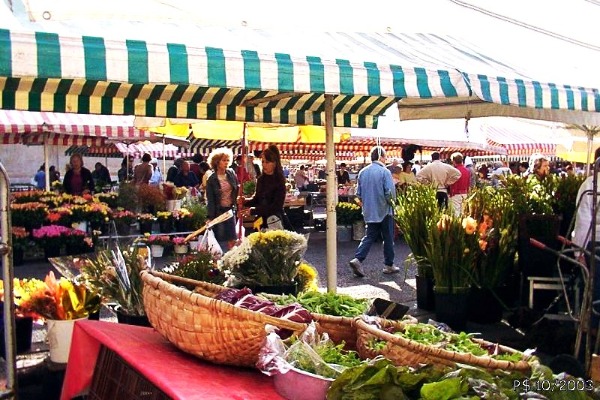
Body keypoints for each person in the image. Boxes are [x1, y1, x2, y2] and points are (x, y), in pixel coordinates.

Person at [348, 146, 398, 278]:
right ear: (381, 156)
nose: (386, 158)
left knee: (369, 236)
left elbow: (358, 194)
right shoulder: (385, 172)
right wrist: (394, 205)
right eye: (385, 156)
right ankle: (389, 264)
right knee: (388, 238)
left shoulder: (363, 172)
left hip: (369, 210)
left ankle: (358, 259)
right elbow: (390, 193)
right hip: (385, 210)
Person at [572, 147, 600, 330]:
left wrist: (578, 251)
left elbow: (583, 221)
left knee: (594, 297)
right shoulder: (590, 185)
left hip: (595, 246)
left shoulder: (590, 184)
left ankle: (591, 346)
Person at [240, 145, 289, 231]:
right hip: (260, 221)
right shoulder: (261, 179)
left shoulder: (279, 180)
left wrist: (252, 211)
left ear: (274, 163)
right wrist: (244, 201)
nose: (264, 165)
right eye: (263, 162)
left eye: (267, 162)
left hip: (273, 221)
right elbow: (257, 199)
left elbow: (276, 207)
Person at [206, 148, 239, 250]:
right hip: (219, 212)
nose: (226, 163)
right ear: (216, 162)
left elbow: (237, 188)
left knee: (233, 237)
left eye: (227, 160)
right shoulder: (211, 179)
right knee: (221, 239)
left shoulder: (231, 173)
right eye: (223, 160)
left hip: (230, 210)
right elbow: (210, 200)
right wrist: (210, 217)